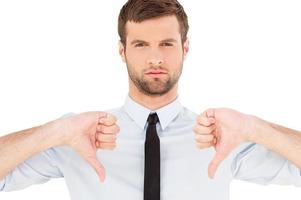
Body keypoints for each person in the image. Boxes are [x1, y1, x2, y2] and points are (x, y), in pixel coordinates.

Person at [0, 0, 300, 200]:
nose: (155, 57)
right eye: (141, 44)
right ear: (122, 51)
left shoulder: (221, 138)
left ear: (185, 49)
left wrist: (253, 127)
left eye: (167, 44)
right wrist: (58, 131)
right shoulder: (79, 137)